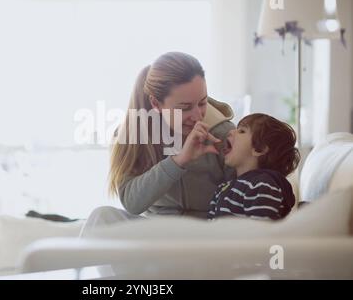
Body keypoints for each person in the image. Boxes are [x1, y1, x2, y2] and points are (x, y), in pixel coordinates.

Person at [80, 51, 236, 236]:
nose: (197, 116)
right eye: (184, 108)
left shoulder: (222, 134)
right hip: (157, 236)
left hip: (204, 236)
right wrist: (178, 161)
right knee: (102, 218)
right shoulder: (134, 133)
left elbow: (239, 203)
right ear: (156, 103)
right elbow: (132, 203)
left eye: (202, 103)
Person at [207, 113, 300, 221]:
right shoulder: (223, 188)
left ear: (259, 149)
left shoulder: (263, 185)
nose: (231, 131)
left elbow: (260, 230)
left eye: (242, 131)